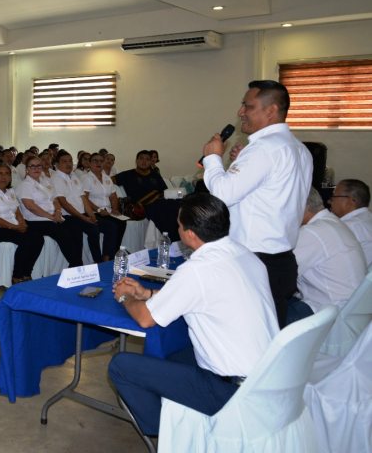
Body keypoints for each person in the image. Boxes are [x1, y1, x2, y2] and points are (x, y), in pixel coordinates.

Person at [108, 193, 279, 438]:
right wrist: (146, 292)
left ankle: (165, 435)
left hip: (231, 391)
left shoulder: (197, 270)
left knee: (121, 366)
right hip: (267, 376)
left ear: (189, 234)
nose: (177, 228)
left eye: (179, 224)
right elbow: (200, 295)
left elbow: (145, 319)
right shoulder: (246, 255)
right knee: (172, 354)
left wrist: (127, 297)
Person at [202, 80, 313, 328]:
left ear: (271, 110)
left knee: (246, 339)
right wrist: (242, 166)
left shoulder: (264, 149)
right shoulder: (299, 149)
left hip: (255, 261)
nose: (241, 112)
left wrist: (212, 157)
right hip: (281, 261)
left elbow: (222, 195)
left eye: (247, 106)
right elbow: (268, 194)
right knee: (269, 337)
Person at [286, 188, 366, 325]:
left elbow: (282, 275)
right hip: (347, 308)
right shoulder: (332, 222)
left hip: (330, 314)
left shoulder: (312, 232)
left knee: (261, 315)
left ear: (300, 206)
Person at [0, 161, 44, 283]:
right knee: (27, 240)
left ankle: (26, 272)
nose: (4, 177)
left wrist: (22, 223)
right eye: (0, 174)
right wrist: (15, 228)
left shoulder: (10, 191)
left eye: (7, 174)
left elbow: (17, 210)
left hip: (13, 226)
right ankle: (17, 275)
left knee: (38, 238)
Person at [16, 155, 82, 267]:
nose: (36, 169)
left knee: (75, 228)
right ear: (27, 169)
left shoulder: (46, 181)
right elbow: (31, 206)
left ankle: (75, 265)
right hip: (36, 220)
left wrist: (57, 211)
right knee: (63, 233)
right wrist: (51, 217)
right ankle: (77, 265)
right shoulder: (24, 185)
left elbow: (55, 199)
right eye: (32, 166)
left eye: (39, 166)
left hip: (53, 217)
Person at [52, 150, 104, 264]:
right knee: (80, 233)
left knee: (98, 227)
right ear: (57, 164)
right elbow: (63, 203)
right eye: (64, 161)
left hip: (80, 215)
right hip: (68, 216)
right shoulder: (56, 178)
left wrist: (90, 214)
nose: (68, 164)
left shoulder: (74, 175)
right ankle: (78, 265)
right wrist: (84, 218)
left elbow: (83, 197)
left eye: (70, 161)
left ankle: (99, 261)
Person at [115, 150, 181, 240]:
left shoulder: (155, 175)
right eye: (141, 158)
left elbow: (164, 191)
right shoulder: (127, 174)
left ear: (150, 162)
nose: (144, 161)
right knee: (164, 209)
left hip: (159, 201)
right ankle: (171, 239)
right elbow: (107, 180)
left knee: (177, 204)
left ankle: (179, 238)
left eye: (147, 159)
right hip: (142, 205)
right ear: (136, 161)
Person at [82, 152, 126, 261]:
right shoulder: (86, 178)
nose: (98, 163)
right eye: (95, 161)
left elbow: (113, 196)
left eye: (101, 161)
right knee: (111, 226)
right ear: (90, 163)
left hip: (108, 211)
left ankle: (114, 254)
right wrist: (98, 209)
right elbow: (85, 198)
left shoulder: (107, 178)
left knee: (122, 222)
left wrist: (115, 209)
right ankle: (106, 258)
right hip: (93, 211)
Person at [329, 179, 372, 268]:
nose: (329, 201)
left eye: (334, 196)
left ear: (351, 201)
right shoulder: (367, 218)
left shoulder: (349, 226)